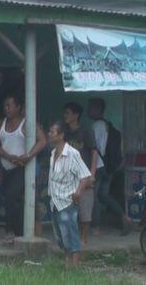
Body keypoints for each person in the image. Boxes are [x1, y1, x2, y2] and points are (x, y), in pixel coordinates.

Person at [0, 92, 47, 244]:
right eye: (5, 105)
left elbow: (42, 141)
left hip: (22, 168)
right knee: (10, 199)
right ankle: (16, 231)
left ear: (18, 107)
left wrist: (28, 156)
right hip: (6, 167)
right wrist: (8, 157)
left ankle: (14, 232)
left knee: (12, 196)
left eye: (10, 105)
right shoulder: (0, 123)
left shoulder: (27, 123)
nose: (7, 108)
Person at [47, 121, 93, 267]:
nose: (49, 134)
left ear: (61, 135)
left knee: (70, 234)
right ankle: (68, 262)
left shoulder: (72, 154)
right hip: (55, 201)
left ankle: (74, 265)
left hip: (67, 201)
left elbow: (85, 176)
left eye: (52, 132)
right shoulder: (53, 153)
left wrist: (78, 192)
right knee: (60, 236)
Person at [88, 98, 131, 235]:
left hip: (99, 166)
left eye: (91, 107)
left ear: (97, 109)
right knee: (103, 195)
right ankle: (124, 216)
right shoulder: (107, 125)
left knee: (93, 197)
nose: (89, 110)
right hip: (109, 166)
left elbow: (97, 148)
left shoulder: (97, 126)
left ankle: (95, 227)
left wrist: (91, 168)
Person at [62, 102, 97, 246]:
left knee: (85, 209)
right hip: (68, 176)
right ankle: (73, 237)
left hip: (84, 176)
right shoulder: (64, 132)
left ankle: (84, 237)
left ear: (76, 115)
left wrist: (92, 174)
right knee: (69, 209)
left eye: (68, 113)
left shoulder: (86, 132)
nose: (65, 116)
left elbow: (94, 152)